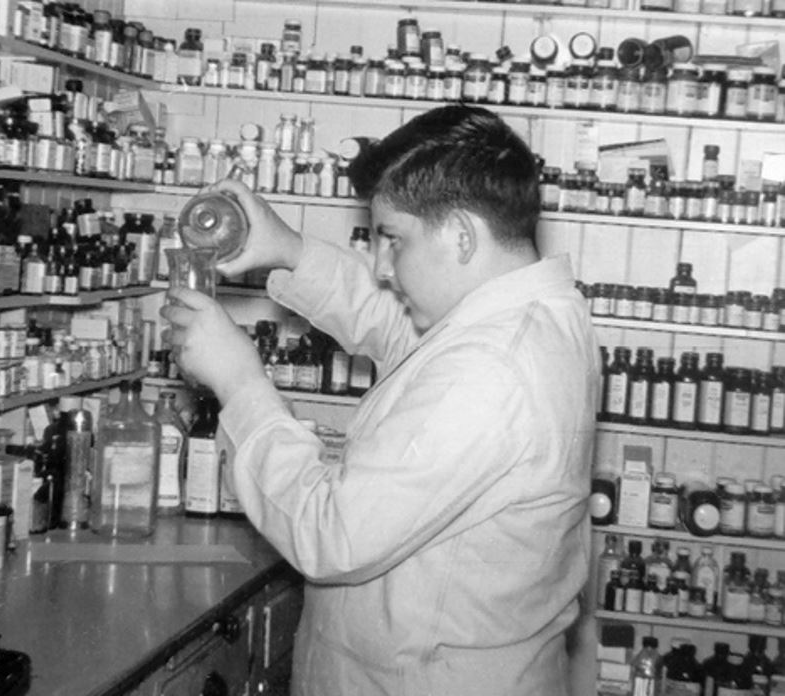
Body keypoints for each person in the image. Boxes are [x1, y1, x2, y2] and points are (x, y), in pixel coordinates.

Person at [161, 104, 600, 696]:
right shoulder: (520, 317)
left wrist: (241, 385)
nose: (381, 266)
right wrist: (289, 249)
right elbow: (400, 336)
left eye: (393, 240)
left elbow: (329, 533)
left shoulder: (494, 370)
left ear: (462, 235)